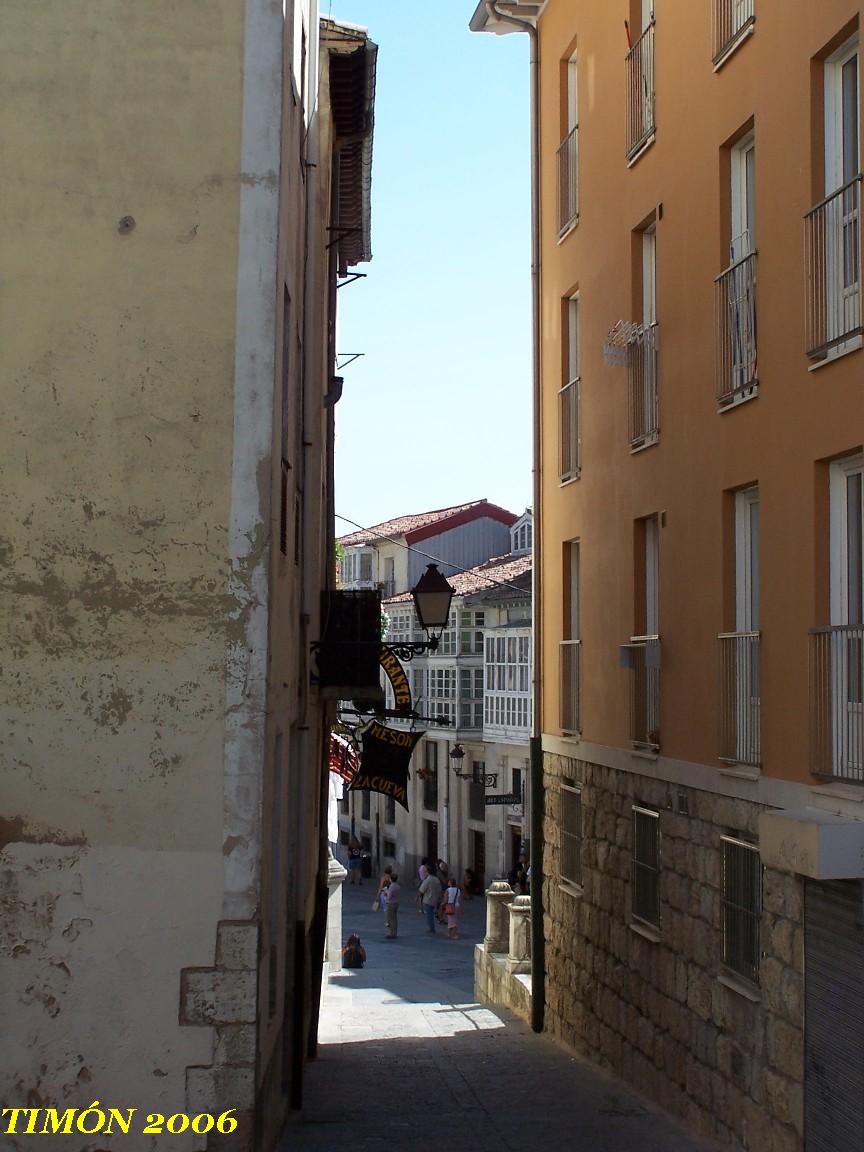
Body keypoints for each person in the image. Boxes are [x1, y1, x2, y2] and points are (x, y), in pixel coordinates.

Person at [417, 865, 443, 934]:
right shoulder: (436, 879)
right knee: (431, 913)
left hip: (428, 899)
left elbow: (421, 890)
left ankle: (431, 928)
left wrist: (418, 897)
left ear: (428, 872)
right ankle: (431, 928)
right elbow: (440, 889)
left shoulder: (428, 880)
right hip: (435, 899)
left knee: (429, 915)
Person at [384, 873, 401, 939]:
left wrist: (386, 893)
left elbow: (389, 896)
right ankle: (395, 932)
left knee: (391, 919)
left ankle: (392, 933)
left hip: (391, 903)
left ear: (391, 879)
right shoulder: (398, 886)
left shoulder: (391, 887)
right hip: (396, 903)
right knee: (394, 918)